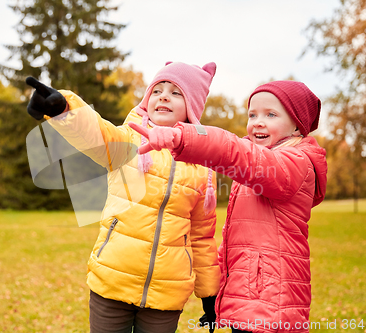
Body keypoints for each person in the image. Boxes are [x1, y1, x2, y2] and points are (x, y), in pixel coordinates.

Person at [25, 62, 221, 333]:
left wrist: (209, 294)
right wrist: (64, 108)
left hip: (167, 294)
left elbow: (201, 236)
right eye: (157, 90)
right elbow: (95, 132)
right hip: (112, 281)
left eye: (176, 93)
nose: (163, 96)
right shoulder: (128, 142)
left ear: (193, 108)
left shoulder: (201, 166)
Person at [129, 80, 328, 333]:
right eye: (252, 114)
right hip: (251, 294)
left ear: (298, 126)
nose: (257, 121)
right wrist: (215, 290)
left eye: (271, 114)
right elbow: (236, 240)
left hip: (272, 299)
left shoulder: (294, 163)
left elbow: (236, 152)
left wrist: (183, 136)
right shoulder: (258, 166)